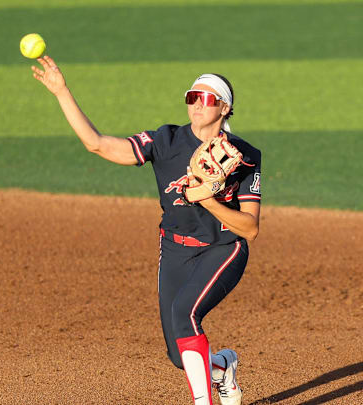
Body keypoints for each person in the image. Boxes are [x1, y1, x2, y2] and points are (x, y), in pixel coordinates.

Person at [31, 55, 262, 405]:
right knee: (178, 354)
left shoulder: (243, 155)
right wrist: (62, 92)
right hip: (174, 251)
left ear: (225, 108)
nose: (198, 105)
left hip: (222, 247)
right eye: (192, 98)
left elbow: (251, 229)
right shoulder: (166, 140)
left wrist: (211, 200)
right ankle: (222, 368)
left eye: (207, 99)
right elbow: (98, 144)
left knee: (186, 314)